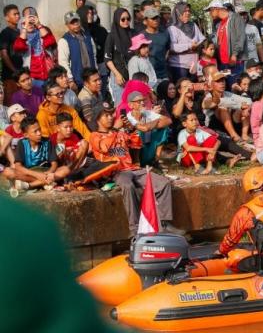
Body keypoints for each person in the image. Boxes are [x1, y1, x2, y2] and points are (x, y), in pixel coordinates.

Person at [89, 102, 177, 237]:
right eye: (105, 116)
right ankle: (134, 230)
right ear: (97, 119)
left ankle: (164, 224)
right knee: (128, 186)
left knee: (163, 183)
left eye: (111, 114)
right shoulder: (95, 135)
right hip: (115, 172)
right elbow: (104, 147)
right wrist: (115, 130)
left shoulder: (119, 133)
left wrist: (131, 130)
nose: (110, 118)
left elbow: (137, 144)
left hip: (133, 169)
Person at [9, 116, 70, 191]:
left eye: (39, 129)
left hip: (46, 172)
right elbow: (18, 166)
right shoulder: (22, 143)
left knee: (65, 169)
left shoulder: (47, 141)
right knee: (8, 172)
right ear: (26, 135)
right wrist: (37, 175)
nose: (39, 133)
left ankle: (30, 185)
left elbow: (54, 164)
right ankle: (45, 183)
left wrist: (48, 173)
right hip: (30, 173)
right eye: (35, 131)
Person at [124, 91, 171, 167]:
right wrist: (155, 122)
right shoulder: (128, 117)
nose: (142, 103)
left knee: (164, 129)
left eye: (143, 100)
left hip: (147, 146)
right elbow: (144, 128)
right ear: (130, 105)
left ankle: (156, 159)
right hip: (134, 152)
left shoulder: (147, 112)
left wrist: (151, 125)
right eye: (139, 101)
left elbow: (168, 120)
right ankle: (136, 164)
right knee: (136, 135)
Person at [206, 0, 246, 84]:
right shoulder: (219, 23)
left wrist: (234, 55)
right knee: (226, 87)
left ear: (216, 9)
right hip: (223, 63)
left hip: (235, 62)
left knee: (235, 86)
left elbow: (241, 38)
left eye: (210, 11)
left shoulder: (236, 18)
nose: (210, 14)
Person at [56, 11, 95, 93]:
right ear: (67, 25)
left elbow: (94, 56)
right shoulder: (64, 40)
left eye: (77, 21)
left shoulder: (88, 37)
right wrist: (70, 80)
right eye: (72, 23)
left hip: (91, 79)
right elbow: (63, 62)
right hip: (77, 82)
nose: (76, 24)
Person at [167, 2, 206, 82]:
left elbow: (202, 39)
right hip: (179, 66)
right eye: (185, 11)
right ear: (178, 12)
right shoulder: (172, 28)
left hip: (194, 65)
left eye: (189, 11)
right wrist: (189, 46)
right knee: (182, 88)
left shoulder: (193, 25)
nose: (188, 13)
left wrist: (199, 44)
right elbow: (172, 46)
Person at [104, 8, 134, 105]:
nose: (126, 21)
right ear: (117, 20)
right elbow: (107, 58)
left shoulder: (132, 33)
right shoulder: (112, 36)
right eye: (123, 19)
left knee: (132, 105)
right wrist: (117, 74)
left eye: (128, 18)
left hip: (132, 75)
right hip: (119, 76)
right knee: (121, 105)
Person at [0, 4, 21, 96]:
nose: (18, 16)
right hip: (10, 77)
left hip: (22, 75)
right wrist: (14, 70)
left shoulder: (21, 32)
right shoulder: (5, 33)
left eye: (18, 14)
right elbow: (4, 54)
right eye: (14, 14)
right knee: (12, 105)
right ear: (7, 18)